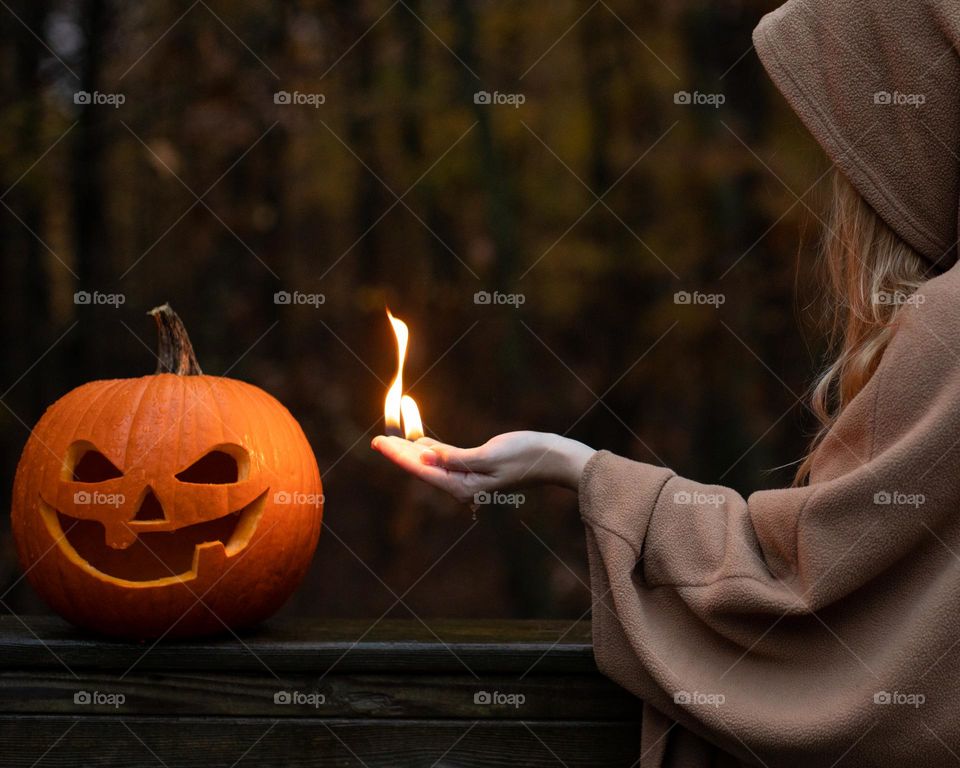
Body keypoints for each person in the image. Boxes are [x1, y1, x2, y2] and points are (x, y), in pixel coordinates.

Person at [373, 0, 960, 764]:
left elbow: (800, 608)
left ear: (914, 128)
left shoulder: (947, 329)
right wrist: (564, 461)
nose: (831, 183)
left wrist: (581, 473)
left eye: (841, 142)